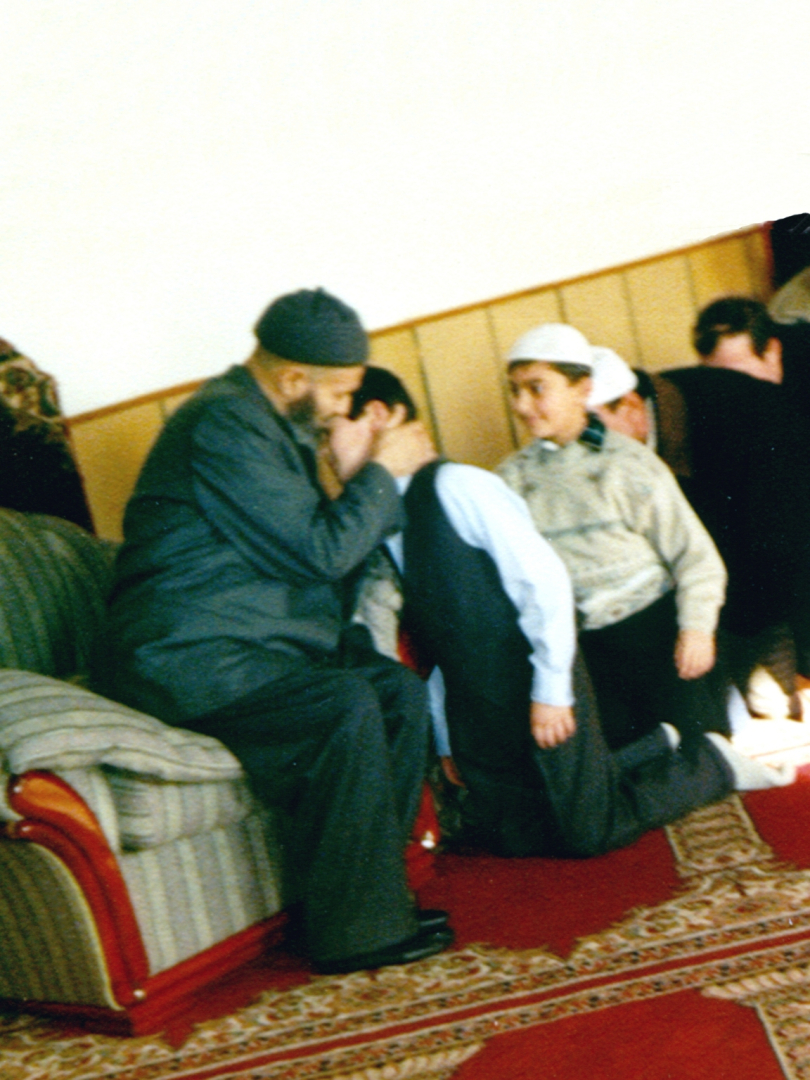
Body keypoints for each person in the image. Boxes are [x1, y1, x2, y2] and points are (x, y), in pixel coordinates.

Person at [107, 288, 453, 975]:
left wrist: (358, 474)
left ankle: (372, 899)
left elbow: (320, 563)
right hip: (183, 656)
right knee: (343, 703)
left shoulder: (267, 422)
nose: (340, 408)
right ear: (294, 378)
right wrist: (381, 473)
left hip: (250, 644)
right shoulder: (224, 425)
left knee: (395, 692)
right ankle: (356, 933)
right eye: (339, 393)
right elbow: (323, 552)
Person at [336, 367, 793, 861]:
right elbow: (435, 641)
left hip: (536, 679)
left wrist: (553, 691)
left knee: (588, 831)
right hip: (475, 703)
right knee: (506, 832)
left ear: (379, 416)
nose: (325, 451)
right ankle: (649, 748)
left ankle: (711, 764)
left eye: (329, 432)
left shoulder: (459, 486)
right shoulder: (381, 520)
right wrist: (446, 739)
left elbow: (545, 585)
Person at [496, 323, 730, 751]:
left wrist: (696, 629)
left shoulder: (629, 464)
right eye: (515, 391)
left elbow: (696, 557)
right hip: (585, 652)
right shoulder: (512, 479)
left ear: (582, 389)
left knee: (699, 758)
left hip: (658, 638)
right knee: (627, 766)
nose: (522, 405)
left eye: (536, 388)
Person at [655, 297, 810, 714]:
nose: (730, 391)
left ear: (773, 352)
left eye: (738, 375)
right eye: (717, 378)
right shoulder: (708, 420)